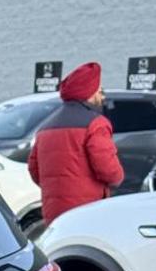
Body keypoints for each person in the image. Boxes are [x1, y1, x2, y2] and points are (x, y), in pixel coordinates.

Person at [27, 62, 123, 223]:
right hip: (88, 210)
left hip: (53, 211)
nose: (103, 97)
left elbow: (34, 169)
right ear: (90, 93)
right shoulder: (96, 123)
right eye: (100, 92)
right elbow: (107, 169)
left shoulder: (45, 127)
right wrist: (118, 179)